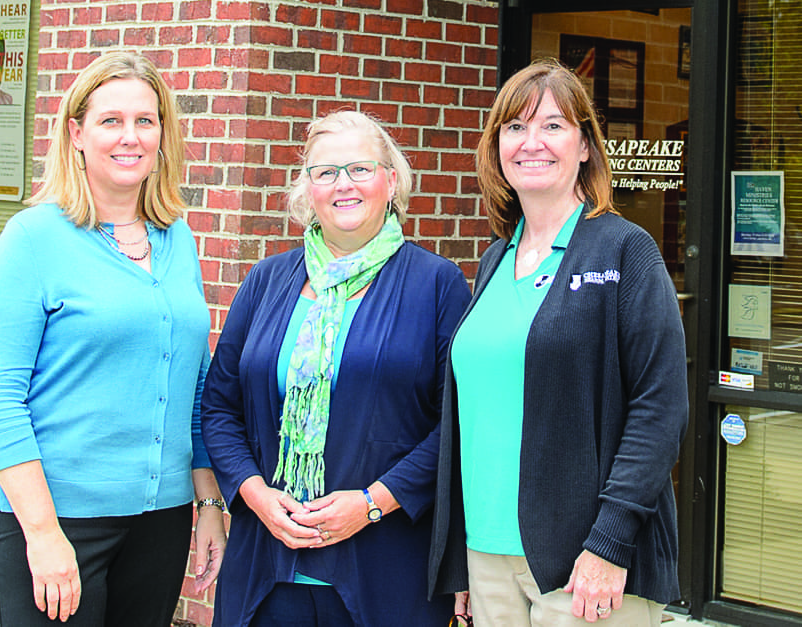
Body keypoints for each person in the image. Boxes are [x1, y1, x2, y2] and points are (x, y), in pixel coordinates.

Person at [428, 59, 689, 626]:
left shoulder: (626, 251)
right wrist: (461, 562)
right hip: (488, 551)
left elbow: (659, 408)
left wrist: (611, 543)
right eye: (514, 128)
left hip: (585, 562)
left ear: (586, 146)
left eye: (552, 125)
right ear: (497, 147)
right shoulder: (496, 257)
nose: (532, 143)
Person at [0, 51, 226, 626]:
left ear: (163, 134)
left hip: (160, 521)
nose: (129, 137)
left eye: (145, 120)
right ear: (77, 132)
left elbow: (194, 387)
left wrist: (209, 502)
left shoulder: (177, 238)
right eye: (111, 120)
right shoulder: (32, 239)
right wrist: (43, 534)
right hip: (55, 521)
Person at [202, 110, 471, 627]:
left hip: (386, 570)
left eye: (360, 169)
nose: (342, 185)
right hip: (267, 566)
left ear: (391, 181)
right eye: (325, 172)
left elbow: (455, 426)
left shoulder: (437, 285)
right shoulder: (266, 281)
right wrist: (255, 495)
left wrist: (372, 503)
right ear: (307, 191)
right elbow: (220, 406)